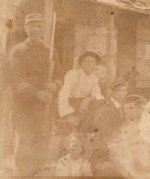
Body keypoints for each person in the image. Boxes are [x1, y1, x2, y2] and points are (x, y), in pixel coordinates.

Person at [8, 13, 63, 175]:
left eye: (38, 26)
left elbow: (60, 76)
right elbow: (15, 78)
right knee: (25, 141)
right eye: (31, 26)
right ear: (26, 28)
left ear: (43, 29)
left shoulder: (50, 50)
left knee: (42, 141)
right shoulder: (17, 51)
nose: (35, 29)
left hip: (44, 107)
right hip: (23, 106)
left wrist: (54, 85)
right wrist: (36, 93)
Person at [58, 51, 104, 133]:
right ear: (82, 64)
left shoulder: (94, 78)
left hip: (85, 106)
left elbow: (97, 94)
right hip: (72, 105)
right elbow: (63, 94)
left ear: (95, 65)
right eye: (87, 61)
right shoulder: (72, 74)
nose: (90, 64)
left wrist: (88, 99)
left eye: (92, 62)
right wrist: (69, 115)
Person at [91, 79, 129, 176]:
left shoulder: (119, 106)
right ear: (113, 93)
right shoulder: (106, 108)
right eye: (120, 90)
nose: (123, 93)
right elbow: (105, 131)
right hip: (105, 148)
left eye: (125, 91)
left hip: (115, 145)